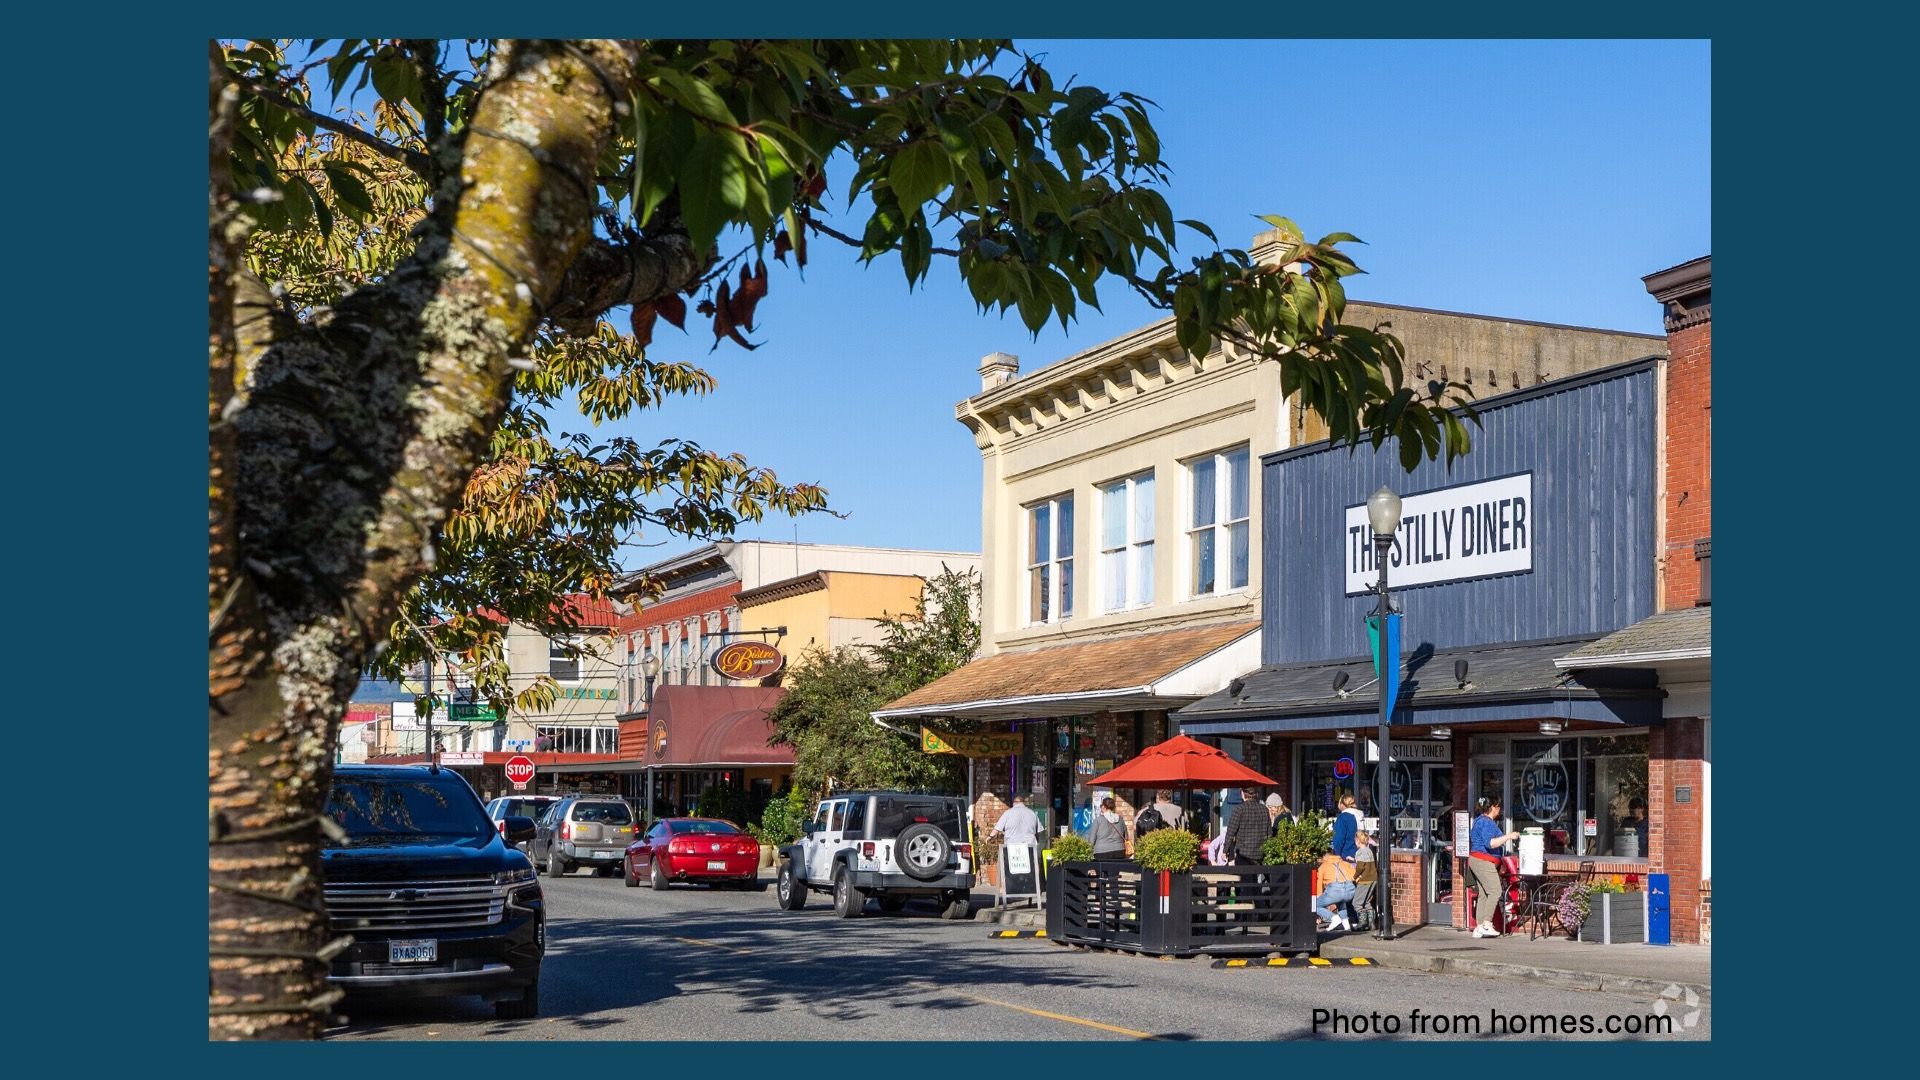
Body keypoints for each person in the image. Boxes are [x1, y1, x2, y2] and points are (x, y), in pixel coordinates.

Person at [1466, 797, 1522, 938]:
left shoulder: (1479, 821)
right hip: (1483, 860)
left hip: (1477, 860)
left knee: (1484, 894)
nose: (1499, 809)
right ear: (1492, 808)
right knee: (1496, 891)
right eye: (1498, 806)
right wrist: (1509, 836)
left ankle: (1479, 927)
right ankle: (1486, 924)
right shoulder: (1486, 823)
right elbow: (1490, 843)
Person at [1225, 786, 1273, 866]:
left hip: (1243, 854)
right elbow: (1269, 833)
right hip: (1260, 854)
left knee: (1245, 877)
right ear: (1256, 794)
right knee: (1254, 877)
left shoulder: (1239, 810)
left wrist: (1225, 850)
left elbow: (1230, 833)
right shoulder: (1264, 810)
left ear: (1242, 794)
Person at [1314, 849, 1358, 931]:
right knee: (1341, 902)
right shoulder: (1345, 863)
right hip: (1350, 890)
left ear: (1325, 857)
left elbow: (1319, 883)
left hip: (1335, 890)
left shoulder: (1324, 866)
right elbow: (1355, 876)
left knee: (1315, 905)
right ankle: (1346, 925)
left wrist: (1319, 896)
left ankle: (1334, 918)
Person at [1349, 830, 1378, 930]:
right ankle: (1372, 923)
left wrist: (1354, 877)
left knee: (1356, 903)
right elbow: (1365, 863)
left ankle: (1362, 923)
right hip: (1373, 879)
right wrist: (1353, 859)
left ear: (1357, 841)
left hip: (1364, 880)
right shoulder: (1369, 851)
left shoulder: (1359, 852)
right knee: (1366, 901)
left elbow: (1360, 867)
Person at [1087, 796, 1128, 860]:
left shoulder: (1098, 820)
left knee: (1101, 870)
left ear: (1104, 807)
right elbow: (1126, 837)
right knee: (1116, 869)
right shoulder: (1120, 819)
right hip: (1119, 851)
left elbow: (1092, 839)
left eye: (1101, 805)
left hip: (1101, 852)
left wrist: (1088, 852)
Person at [1330, 792, 1361, 859]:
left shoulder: (1343, 818)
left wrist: (1336, 855)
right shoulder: (1359, 816)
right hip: (1359, 856)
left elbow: (1338, 839)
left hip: (1346, 857)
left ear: (1342, 804)